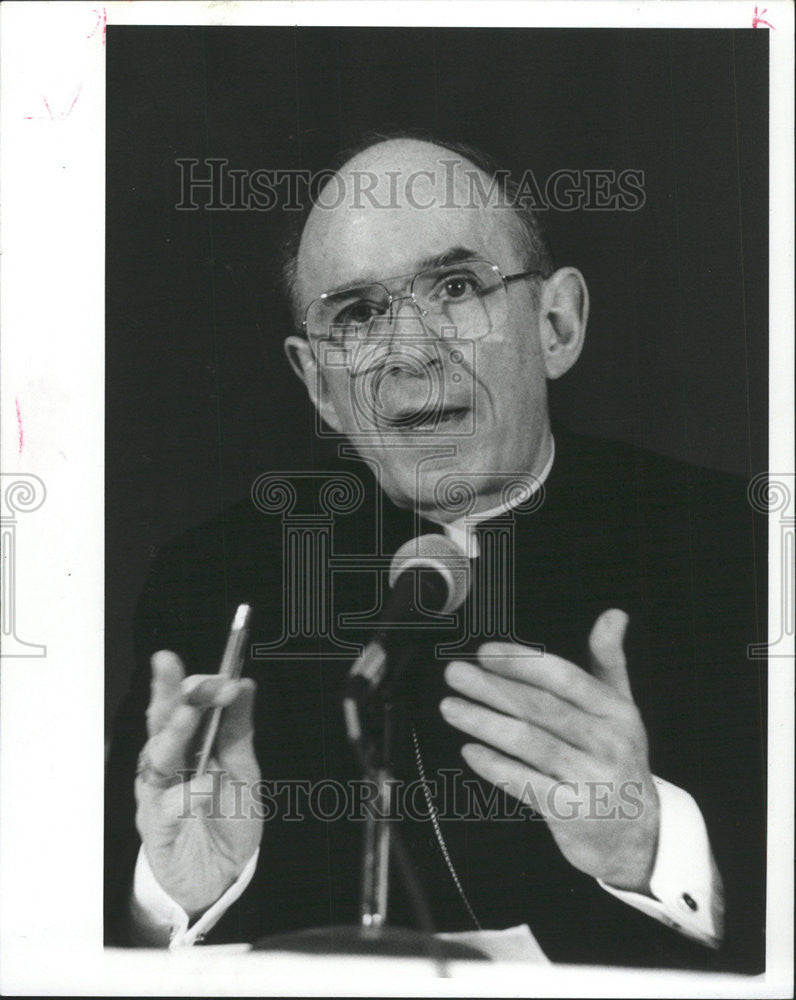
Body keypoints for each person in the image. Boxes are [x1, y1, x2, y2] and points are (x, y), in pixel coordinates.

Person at [105, 136, 766, 971]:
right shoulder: (214, 579)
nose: (407, 352)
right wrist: (181, 892)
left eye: (455, 288)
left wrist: (653, 847)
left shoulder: (740, 548)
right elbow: (70, 939)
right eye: (356, 314)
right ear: (318, 386)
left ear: (556, 324)